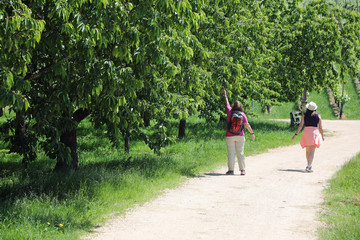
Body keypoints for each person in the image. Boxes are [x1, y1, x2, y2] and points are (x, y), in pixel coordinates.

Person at [221, 89, 255, 176]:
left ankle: (231, 170)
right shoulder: (242, 114)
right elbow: (247, 125)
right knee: (240, 153)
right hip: (240, 136)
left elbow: (227, 103)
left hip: (229, 136)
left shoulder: (230, 112)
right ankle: (242, 170)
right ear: (241, 107)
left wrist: (225, 94)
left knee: (231, 153)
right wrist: (252, 133)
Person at [292, 101, 324, 172]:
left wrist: (296, 134)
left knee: (307, 150)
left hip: (306, 133)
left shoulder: (304, 116)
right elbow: (320, 127)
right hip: (314, 133)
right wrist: (322, 135)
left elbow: (300, 126)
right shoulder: (318, 116)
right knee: (312, 150)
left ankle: (308, 164)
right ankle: (309, 166)